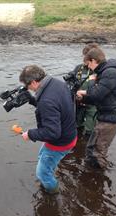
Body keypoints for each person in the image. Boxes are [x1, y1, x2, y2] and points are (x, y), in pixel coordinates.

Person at [19, 65, 77, 194]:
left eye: (28, 86)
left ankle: (53, 192)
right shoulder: (57, 83)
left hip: (61, 142)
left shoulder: (46, 100)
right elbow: (56, 107)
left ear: (34, 82)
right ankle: (50, 173)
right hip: (70, 132)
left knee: (42, 174)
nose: (28, 89)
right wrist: (31, 100)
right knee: (43, 156)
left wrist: (30, 134)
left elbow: (52, 133)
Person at [76, 47, 116, 170]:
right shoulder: (105, 71)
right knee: (91, 147)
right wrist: (82, 99)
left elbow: (96, 95)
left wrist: (92, 81)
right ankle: (93, 174)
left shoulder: (110, 72)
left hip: (111, 117)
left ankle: (98, 179)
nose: (89, 68)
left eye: (88, 65)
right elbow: (96, 97)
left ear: (93, 60)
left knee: (98, 151)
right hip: (106, 115)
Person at [68, 43, 99, 139]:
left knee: (90, 130)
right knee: (76, 126)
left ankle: (88, 145)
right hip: (78, 103)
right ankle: (78, 147)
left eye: (85, 57)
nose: (83, 59)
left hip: (92, 105)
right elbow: (70, 82)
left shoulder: (101, 70)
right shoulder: (79, 68)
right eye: (83, 56)